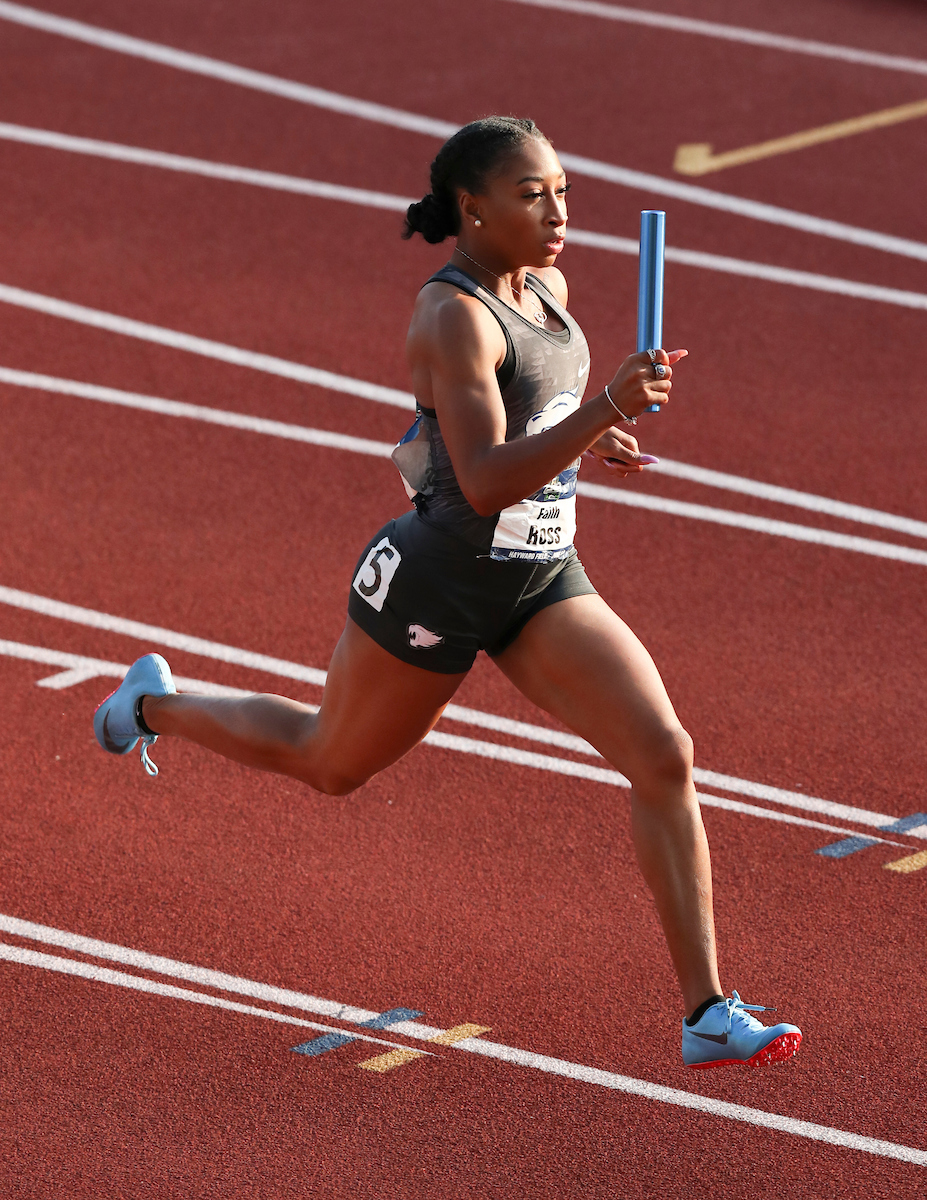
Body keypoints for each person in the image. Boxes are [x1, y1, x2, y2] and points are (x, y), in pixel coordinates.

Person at [93, 117, 801, 1069]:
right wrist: (604, 410)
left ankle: (705, 1013)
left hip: (543, 577)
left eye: (561, 191)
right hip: (439, 581)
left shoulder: (545, 286)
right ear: (473, 209)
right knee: (330, 763)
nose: (557, 213)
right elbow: (479, 480)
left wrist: (593, 433)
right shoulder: (452, 315)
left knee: (662, 753)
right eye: (531, 194)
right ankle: (151, 705)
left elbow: (530, 415)